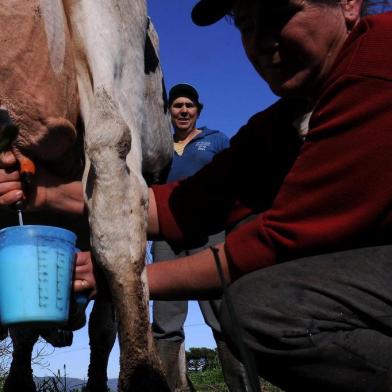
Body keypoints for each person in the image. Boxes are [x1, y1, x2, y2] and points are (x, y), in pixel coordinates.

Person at [73, 0, 392, 390]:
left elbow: (277, 242)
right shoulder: (288, 118)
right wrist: (42, 193)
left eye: (279, 13)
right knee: (173, 322)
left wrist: (122, 278)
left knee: (263, 308)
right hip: (178, 244)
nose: (260, 41)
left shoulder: (377, 70)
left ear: (348, 3)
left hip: (216, 246)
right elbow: (183, 205)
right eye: (245, 24)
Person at [152, 83, 248, 392]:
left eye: (188, 105)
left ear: (197, 111)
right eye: (177, 105)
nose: (182, 110)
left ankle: (242, 386)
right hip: (167, 238)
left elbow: (237, 180)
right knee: (166, 324)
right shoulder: (159, 146)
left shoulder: (216, 140)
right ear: (169, 111)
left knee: (224, 318)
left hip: (210, 235)